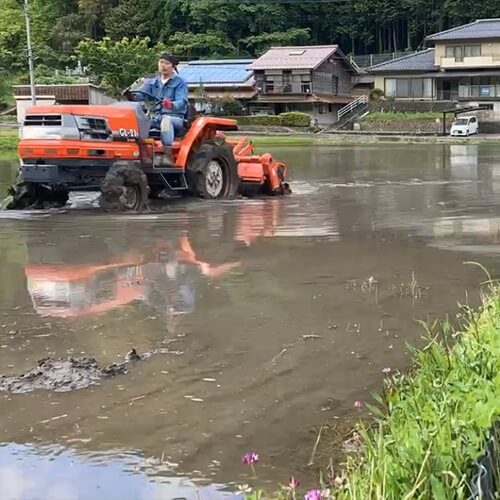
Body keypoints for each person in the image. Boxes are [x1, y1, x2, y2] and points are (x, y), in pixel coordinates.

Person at [126, 53, 188, 158]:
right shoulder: (152, 82)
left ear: (173, 66)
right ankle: (137, 151)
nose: (163, 66)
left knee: (166, 120)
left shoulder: (180, 82)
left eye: (167, 63)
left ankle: (167, 153)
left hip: (175, 117)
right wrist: (131, 94)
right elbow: (141, 95)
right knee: (137, 120)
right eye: (161, 62)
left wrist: (171, 105)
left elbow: (182, 102)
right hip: (154, 116)